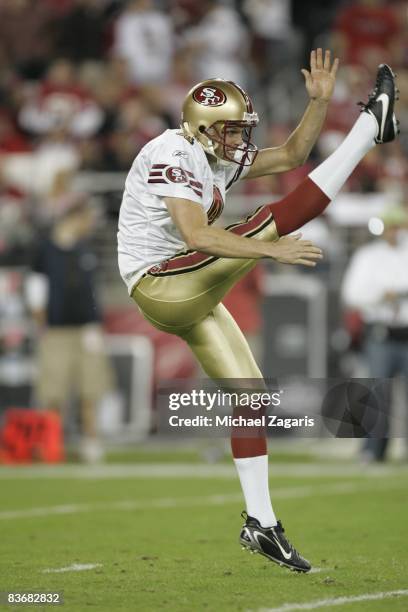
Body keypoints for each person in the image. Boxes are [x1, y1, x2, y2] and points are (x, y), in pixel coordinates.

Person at [117, 50, 399, 572]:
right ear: (202, 129)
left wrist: (317, 105)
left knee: (251, 398)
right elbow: (197, 234)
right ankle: (368, 127)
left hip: (186, 284)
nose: (238, 141)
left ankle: (261, 524)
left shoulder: (213, 153)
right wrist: (272, 248)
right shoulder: (172, 154)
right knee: (269, 221)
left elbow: (292, 154)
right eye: (229, 131)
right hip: (160, 284)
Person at [26, 180, 114, 463]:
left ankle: (91, 443)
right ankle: (52, 444)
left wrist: (95, 325)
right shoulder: (45, 249)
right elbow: (36, 288)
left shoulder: (85, 249)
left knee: (91, 389)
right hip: (57, 331)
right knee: (53, 393)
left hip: (86, 330)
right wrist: (41, 323)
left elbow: (91, 293)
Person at [341, 205, 408, 462]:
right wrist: (381, 295)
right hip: (381, 333)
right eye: (390, 226)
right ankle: (373, 450)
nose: (394, 232)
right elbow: (352, 294)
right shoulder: (368, 256)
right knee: (379, 395)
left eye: (398, 226)